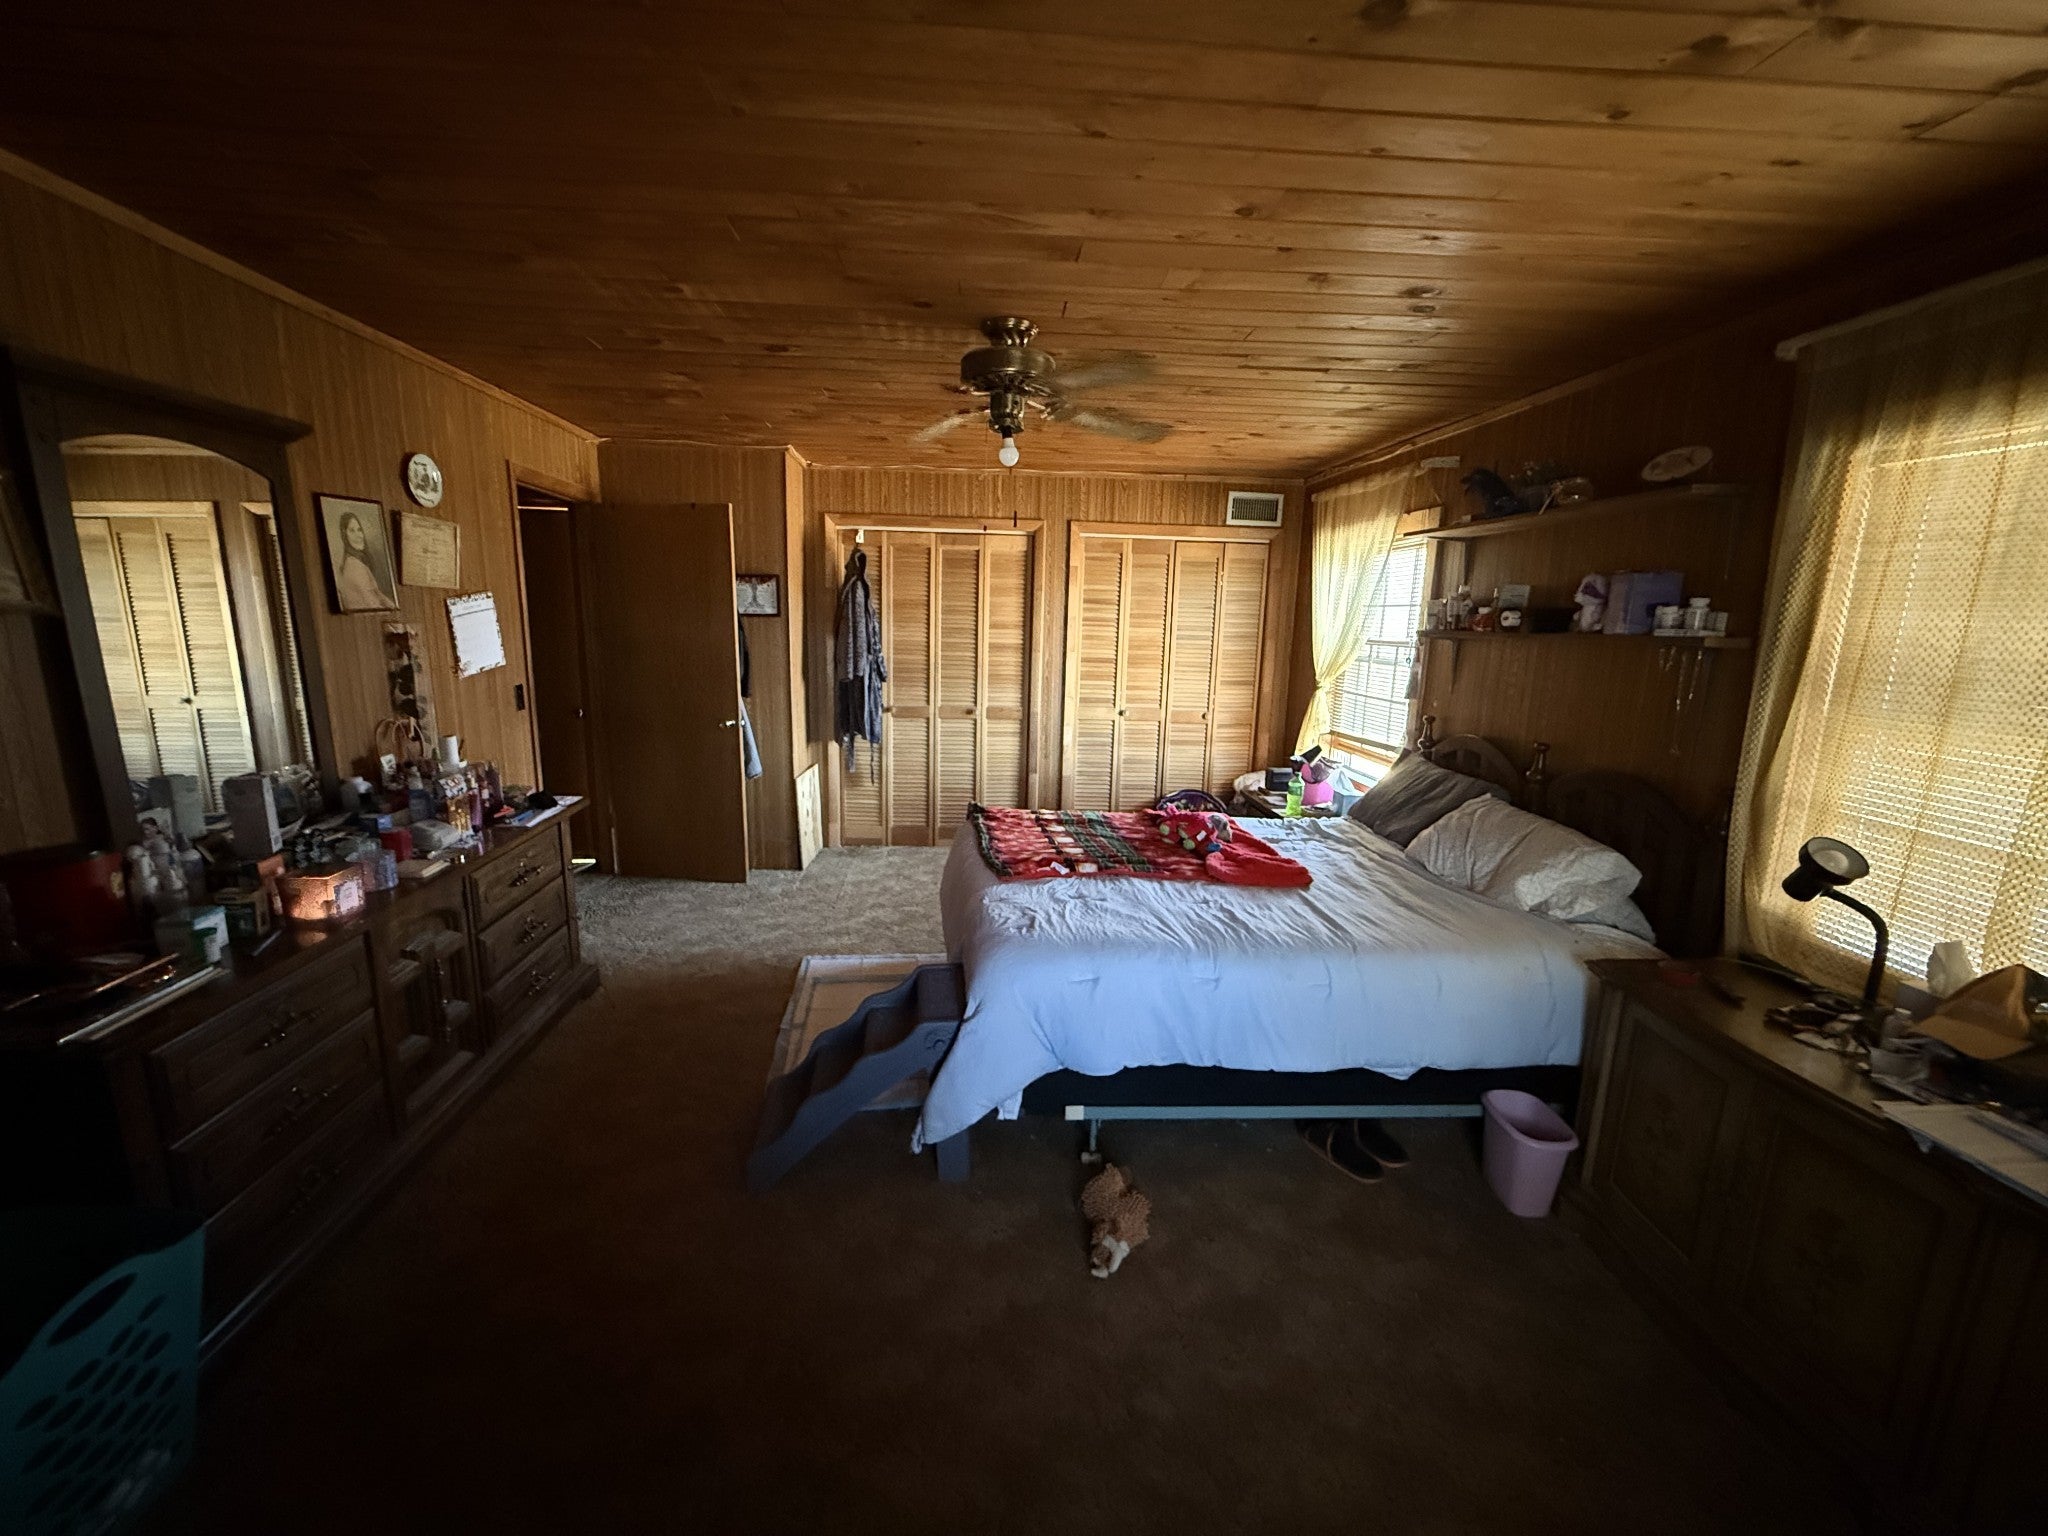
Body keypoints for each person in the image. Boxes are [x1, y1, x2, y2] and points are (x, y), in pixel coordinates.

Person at [333, 509, 395, 610]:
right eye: (352, 531)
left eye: (359, 530)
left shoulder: (357, 562)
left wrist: (394, 607)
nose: (358, 536)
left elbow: (377, 594)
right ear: (345, 535)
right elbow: (372, 606)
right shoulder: (354, 566)